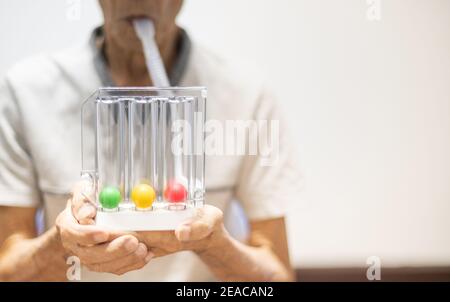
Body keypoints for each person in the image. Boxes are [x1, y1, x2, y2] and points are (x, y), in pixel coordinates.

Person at [0, 0, 301, 281]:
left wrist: (214, 246)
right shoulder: (27, 91)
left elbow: (276, 276)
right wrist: (64, 244)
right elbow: (8, 267)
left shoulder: (245, 94)